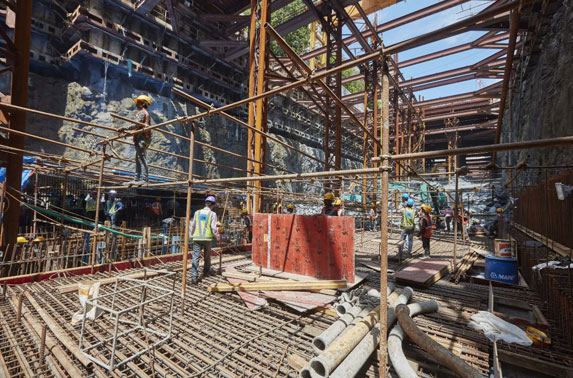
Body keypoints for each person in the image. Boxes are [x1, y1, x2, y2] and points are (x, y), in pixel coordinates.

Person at [118, 95, 152, 185]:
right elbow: (137, 127)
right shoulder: (145, 113)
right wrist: (128, 132)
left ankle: (144, 178)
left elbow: (137, 125)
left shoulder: (142, 113)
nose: (136, 104)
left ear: (143, 103)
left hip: (142, 138)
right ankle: (137, 179)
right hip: (141, 138)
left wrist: (124, 128)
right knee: (138, 158)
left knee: (142, 158)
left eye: (138, 102)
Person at [190, 195, 221, 283]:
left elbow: (193, 225)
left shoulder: (197, 212)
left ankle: (194, 276)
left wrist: (192, 235)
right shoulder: (212, 214)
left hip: (196, 238)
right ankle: (206, 272)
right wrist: (218, 237)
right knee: (207, 257)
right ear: (213, 205)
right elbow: (213, 228)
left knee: (195, 257)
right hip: (207, 239)